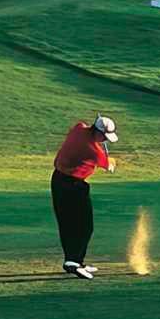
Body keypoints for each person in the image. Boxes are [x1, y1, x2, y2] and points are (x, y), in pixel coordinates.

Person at [51, 113, 118, 278]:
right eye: (105, 137)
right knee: (85, 226)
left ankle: (74, 261)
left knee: (67, 224)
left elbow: (82, 128)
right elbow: (108, 165)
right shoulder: (94, 151)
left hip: (57, 180)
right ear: (98, 132)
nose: (105, 140)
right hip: (73, 185)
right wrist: (111, 162)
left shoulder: (79, 128)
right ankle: (73, 262)